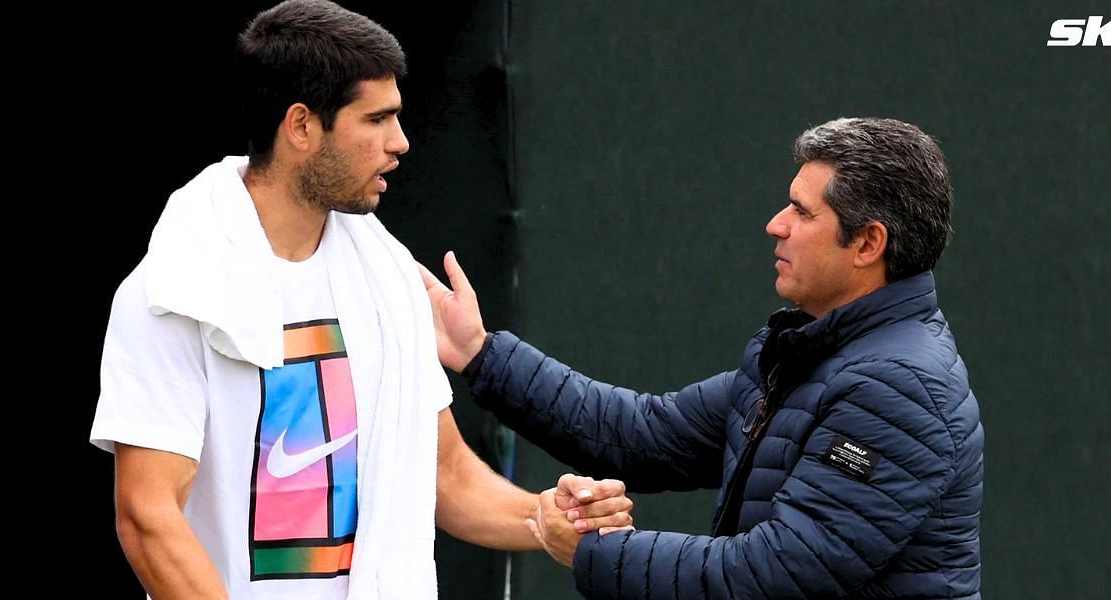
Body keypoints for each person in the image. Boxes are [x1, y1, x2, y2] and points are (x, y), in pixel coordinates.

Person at [89, 1, 631, 598]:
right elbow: (147, 515)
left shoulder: (389, 274)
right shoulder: (173, 289)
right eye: (376, 120)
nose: (400, 142)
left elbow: (443, 473)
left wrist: (542, 517)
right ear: (301, 126)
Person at [422, 117, 984, 598]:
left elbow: (774, 573)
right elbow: (639, 433)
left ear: (868, 244)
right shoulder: (812, 357)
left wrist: (594, 551)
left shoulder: (897, 388)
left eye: (802, 212)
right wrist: (480, 352)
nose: (776, 225)